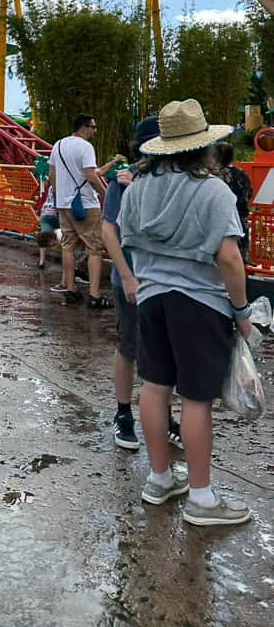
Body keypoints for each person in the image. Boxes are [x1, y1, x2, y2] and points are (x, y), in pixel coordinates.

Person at [118, 98, 252, 527]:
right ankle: (202, 498)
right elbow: (229, 258)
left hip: (152, 298)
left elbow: (127, 239)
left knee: (154, 387)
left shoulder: (137, 187)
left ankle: (159, 479)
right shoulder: (213, 189)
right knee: (196, 398)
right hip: (200, 304)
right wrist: (242, 310)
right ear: (202, 146)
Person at [101, 116, 183, 452]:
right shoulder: (122, 182)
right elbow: (109, 231)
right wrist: (126, 276)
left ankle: (164, 416)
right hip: (132, 279)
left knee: (165, 350)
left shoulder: (177, 178)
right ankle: (123, 414)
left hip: (166, 281)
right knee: (129, 345)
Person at [48, 114, 108, 306]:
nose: (94, 131)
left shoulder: (57, 145)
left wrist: (60, 198)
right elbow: (90, 175)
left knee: (68, 246)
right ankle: (94, 295)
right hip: (85, 204)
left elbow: (52, 174)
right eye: (93, 127)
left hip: (65, 204)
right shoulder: (85, 147)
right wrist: (104, 193)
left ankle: (71, 289)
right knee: (94, 248)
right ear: (84, 128)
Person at [217, 141, 253, 260]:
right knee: (240, 255)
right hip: (241, 219)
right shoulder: (241, 173)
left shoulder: (213, 176)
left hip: (221, 221)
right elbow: (249, 192)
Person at [35, 187, 59, 268]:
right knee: (68, 240)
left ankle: (41, 261)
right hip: (58, 213)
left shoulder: (51, 185)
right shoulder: (65, 182)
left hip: (46, 212)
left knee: (44, 237)